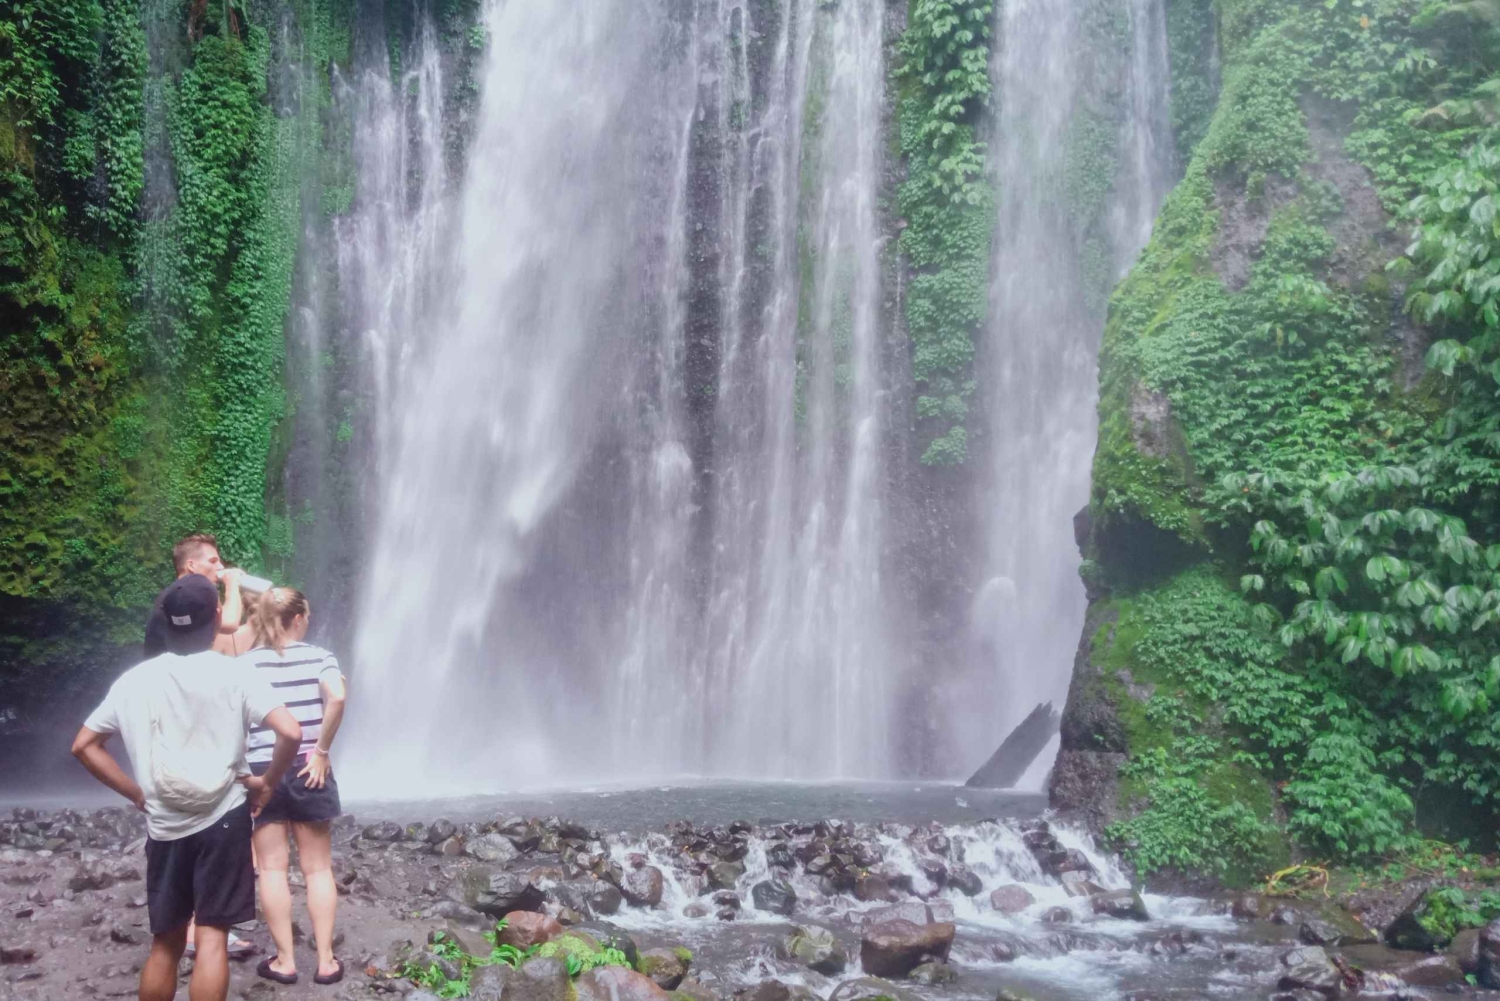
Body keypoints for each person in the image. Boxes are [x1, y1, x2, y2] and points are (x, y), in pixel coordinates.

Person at [71, 574, 303, 1001]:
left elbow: (84, 746)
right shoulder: (235, 674)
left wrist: (136, 792)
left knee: (165, 944)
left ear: (167, 621)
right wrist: (267, 783)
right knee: (212, 937)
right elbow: (290, 732)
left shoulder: (134, 682)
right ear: (217, 617)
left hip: (164, 827)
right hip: (224, 822)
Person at [242, 587, 348, 986]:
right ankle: (325, 961)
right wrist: (320, 749)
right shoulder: (320, 657)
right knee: (318, 868)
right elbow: (336, 696)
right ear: (299, 619)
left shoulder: (245, 665)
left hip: (262, 770)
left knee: (271, 868)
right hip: (308, 767)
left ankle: (285, 961)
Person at [144, 533, 244, 658]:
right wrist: (232, 584)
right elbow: (230, 623)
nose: (221, 567)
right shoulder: (181, 600)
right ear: (191, 566)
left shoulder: (174, 594)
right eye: (213, 561)